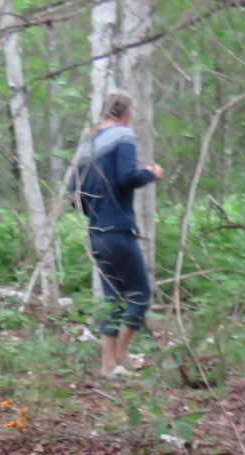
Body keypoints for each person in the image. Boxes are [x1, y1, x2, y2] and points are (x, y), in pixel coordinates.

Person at [71, 90, 161, 378]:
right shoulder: (123, 136)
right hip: (118, 230)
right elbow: (126, 177)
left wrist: (95, 211)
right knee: (140, 293)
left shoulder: (88, 144)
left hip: (96, 232)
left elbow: (75, 194)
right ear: (125, 112)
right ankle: (121, 355)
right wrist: (149, 173)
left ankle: (107, 365)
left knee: (112, 298)